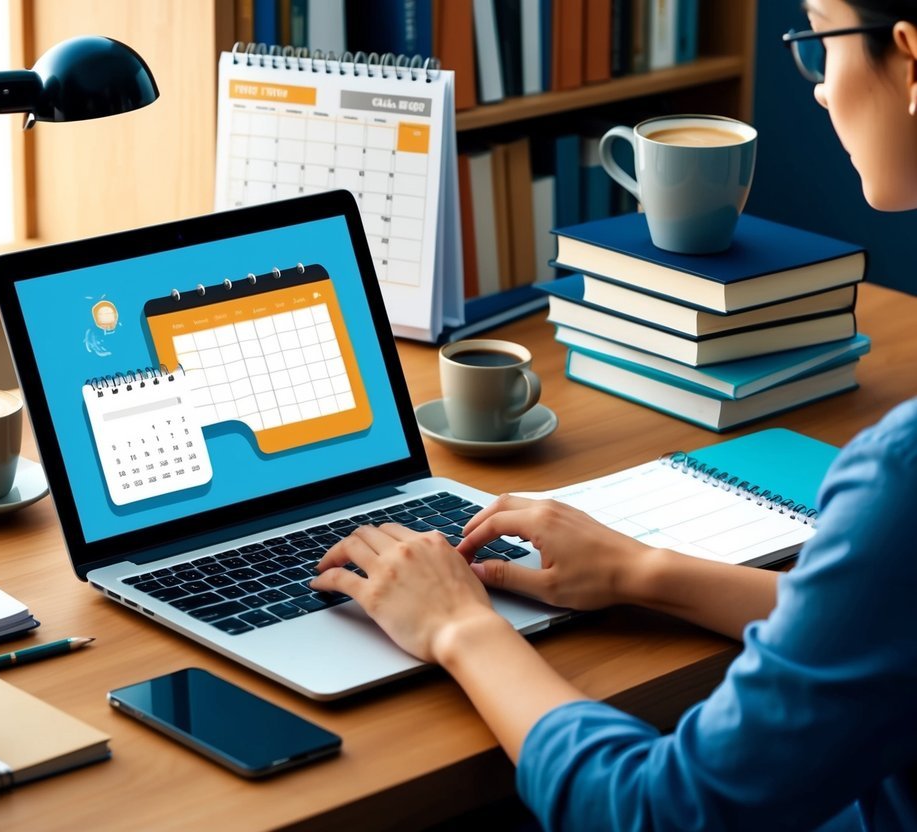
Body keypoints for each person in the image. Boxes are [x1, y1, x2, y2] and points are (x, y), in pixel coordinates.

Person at [310, 1, 917, 829]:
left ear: (909, 60)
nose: (816, 90)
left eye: (819, 42)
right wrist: (647, 574)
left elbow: (659, 810)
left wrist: (459, 628)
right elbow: (885, 629)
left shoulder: (901, 473)